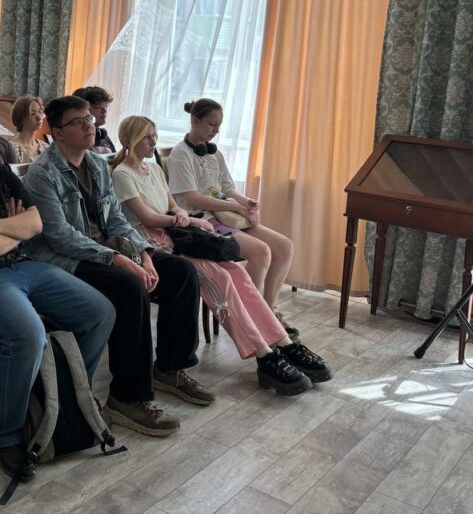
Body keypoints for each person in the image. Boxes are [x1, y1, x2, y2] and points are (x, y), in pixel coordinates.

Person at [0, 98, 115, 480]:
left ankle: (57, 397)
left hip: (21, 267)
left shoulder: (0, 171)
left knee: (99, 312)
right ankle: (7, 434)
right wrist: (9, 230)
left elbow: (36, 223)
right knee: (27, 334)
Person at [23, 95, 213, 437]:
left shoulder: (98, 165)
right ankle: (127, 396)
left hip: (107, 251)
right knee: (129, 286)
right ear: (57, 132)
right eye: (78, 122)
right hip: (66, 261)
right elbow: (61, 237)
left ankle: (170, 368)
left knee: (181, 272)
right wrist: (117, 258)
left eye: (89, 119)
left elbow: (116, 220)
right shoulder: (42, 174)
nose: (89, 126)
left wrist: (143, 252)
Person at [112, 116, 331, 395]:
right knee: (220, 279)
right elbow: (148, 218)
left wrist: (181, 214)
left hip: (175, 233)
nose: (153, 141)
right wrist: (188, 219)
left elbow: (171, 205)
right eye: (146, 136)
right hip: (151, 242)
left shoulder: (153, 168)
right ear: (128, 139)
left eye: (154, 135)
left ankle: (282, 342)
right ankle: (264, 353)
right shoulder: (122, 174)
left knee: (237, 272)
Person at [167, 98, 298, 337]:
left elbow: (227, 187)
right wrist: (234, 206)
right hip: (202, 221)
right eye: (211, 124)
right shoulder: (180, 155)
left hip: (225, 216)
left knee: (284, 247)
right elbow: (193, 198)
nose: (216, 131)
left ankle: (269, 312)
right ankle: (252, 319)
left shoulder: (214, 153)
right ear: (194, 121)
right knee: (261, 252)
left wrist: (245, 202)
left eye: (219, 125)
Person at [72, 86, 115, 154]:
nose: (105, 111)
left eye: (106, 106)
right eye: (99, 106)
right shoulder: (76, 140)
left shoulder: (103, 136)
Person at [9, 95, 48, 164]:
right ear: (21, 117)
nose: (39, 118)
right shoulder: (12, 148)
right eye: (33, 114)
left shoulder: (46, 147)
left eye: (40, 112)